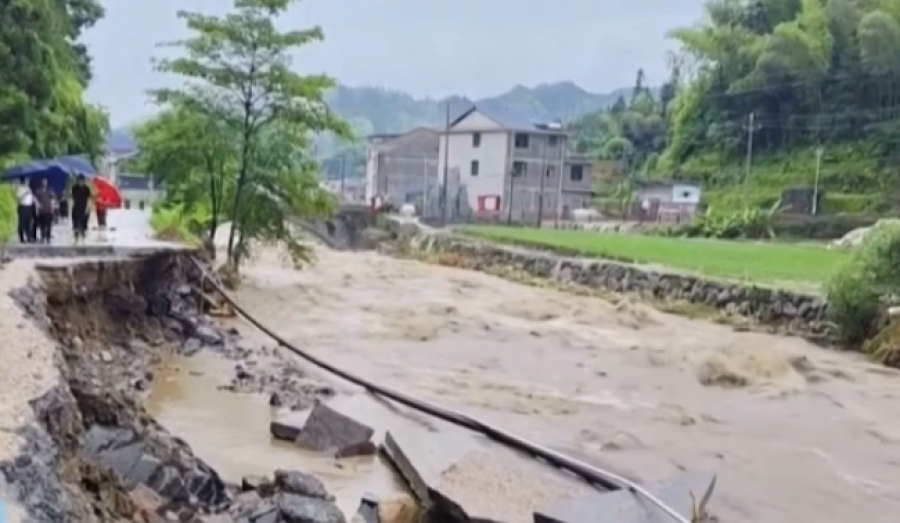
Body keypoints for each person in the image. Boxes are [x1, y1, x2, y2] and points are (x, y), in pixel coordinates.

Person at [71, 174, 92, 243]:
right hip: (76, 207)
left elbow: (89, 199)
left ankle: (83, 238)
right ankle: (76, 238)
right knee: (75, 223)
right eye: (79, 180)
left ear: (83, 181)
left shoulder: (86, 188)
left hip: (84, 208)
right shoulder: (74, 188)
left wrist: (88, 208)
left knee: (84, 224)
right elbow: (72, 199)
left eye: (82, 180)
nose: (80, 182)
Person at [33, 178, 54, 243]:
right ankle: (42, 237)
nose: (44, 183)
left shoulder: (50, 191)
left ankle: (48, 238)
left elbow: (52, 200)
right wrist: (37, 207)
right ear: (41, 183)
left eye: (46, 182)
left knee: (49, 225)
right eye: (43, 182)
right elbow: (35, 200)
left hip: (49, 210)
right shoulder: (38, 191)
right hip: (41, 210)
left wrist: (52, 208)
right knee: (42, 225)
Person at [16, 177, 34, 243]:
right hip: (23, 206)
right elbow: (18, 198)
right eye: (25, 180)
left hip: (29, 207)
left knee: (29, 222)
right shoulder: (20, 188)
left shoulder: (29, 188)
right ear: (22, 181)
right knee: (21, 223)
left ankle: (29, 237)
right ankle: (21, 238)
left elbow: (32, 197)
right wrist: (25, 194)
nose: (27, 182)